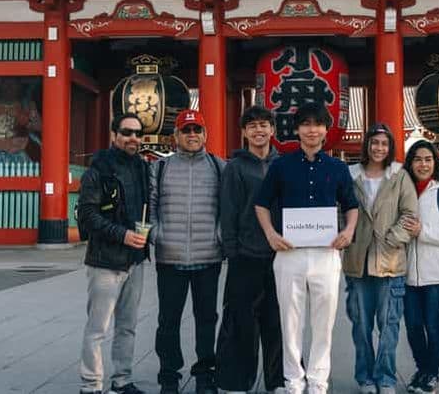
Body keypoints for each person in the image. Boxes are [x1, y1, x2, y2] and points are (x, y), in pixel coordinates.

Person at [254, 101, 359, 394]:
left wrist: (348, 231)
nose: (312, 130)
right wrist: (271, 234)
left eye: (318, 124)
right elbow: (261, 205)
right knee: (290, 321)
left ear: (326, 130)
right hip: (289, 254)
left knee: (324, 323)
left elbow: (352, 206)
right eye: (306, 124)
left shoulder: (338, 168)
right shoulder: (281, 165)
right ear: (297, 129)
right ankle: (293, 381)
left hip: (326, 255)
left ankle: (318, 381)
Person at [149, 109, 227, 394]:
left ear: (205, 134)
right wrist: (157, 234)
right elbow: (151, 205)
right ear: (176, 136)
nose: (192, 135)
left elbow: (227, 208)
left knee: (207, 318)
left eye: (197, 130)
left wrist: (220, 235)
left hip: (208, 256)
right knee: (167, 320)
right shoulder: (161, 168)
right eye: (186, 130)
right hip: (170, 256)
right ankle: (169, 373)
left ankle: (205, 371)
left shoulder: (220, 167)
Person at [77, 113, 150, 394]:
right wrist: (122, 234)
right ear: (114, 135)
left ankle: (122, 381)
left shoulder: (142, 168)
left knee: (128, 326)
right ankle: (91, 385)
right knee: (98, 329)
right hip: (106, 261)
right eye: (127, 132)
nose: (134, 138)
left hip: (136, 260)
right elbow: (87, 215)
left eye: (138, 133)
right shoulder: (98, 170)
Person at [343, 123, 418, 394]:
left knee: (389, 325)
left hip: (390, 262)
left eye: (384, 144)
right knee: (361, 325)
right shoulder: (350, 175)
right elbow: (341, 210)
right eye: (374, 142)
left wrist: (391, 238)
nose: (379, 148)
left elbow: (410, 214)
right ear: (366, 145)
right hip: (357, 262)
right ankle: (364, 377)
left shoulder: (400, 176)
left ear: (391, 148)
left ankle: (385, 378)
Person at [215, 106, 284, 394]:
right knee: (240, 320)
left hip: (280, 254)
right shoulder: (235, 167)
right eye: (252, 126)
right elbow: (228, 211)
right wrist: (232, 251)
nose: (259, 130)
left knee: (278, 320)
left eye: (264, 125)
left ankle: (278, 381)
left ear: (273, 130)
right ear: (244, 132)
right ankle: (236, 381)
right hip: (245, 255)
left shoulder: (283, 164)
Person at [401, 140, 439, 394]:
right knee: (413, 326)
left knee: (432, 324)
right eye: (417, 159)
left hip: (436, 274)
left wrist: (421, 231)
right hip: (406, 274)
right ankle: (422, 369)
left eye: (427, 159)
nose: (423, 164)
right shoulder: (403, 191)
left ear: (434, 163)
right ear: (410, 163)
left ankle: (432, 373)